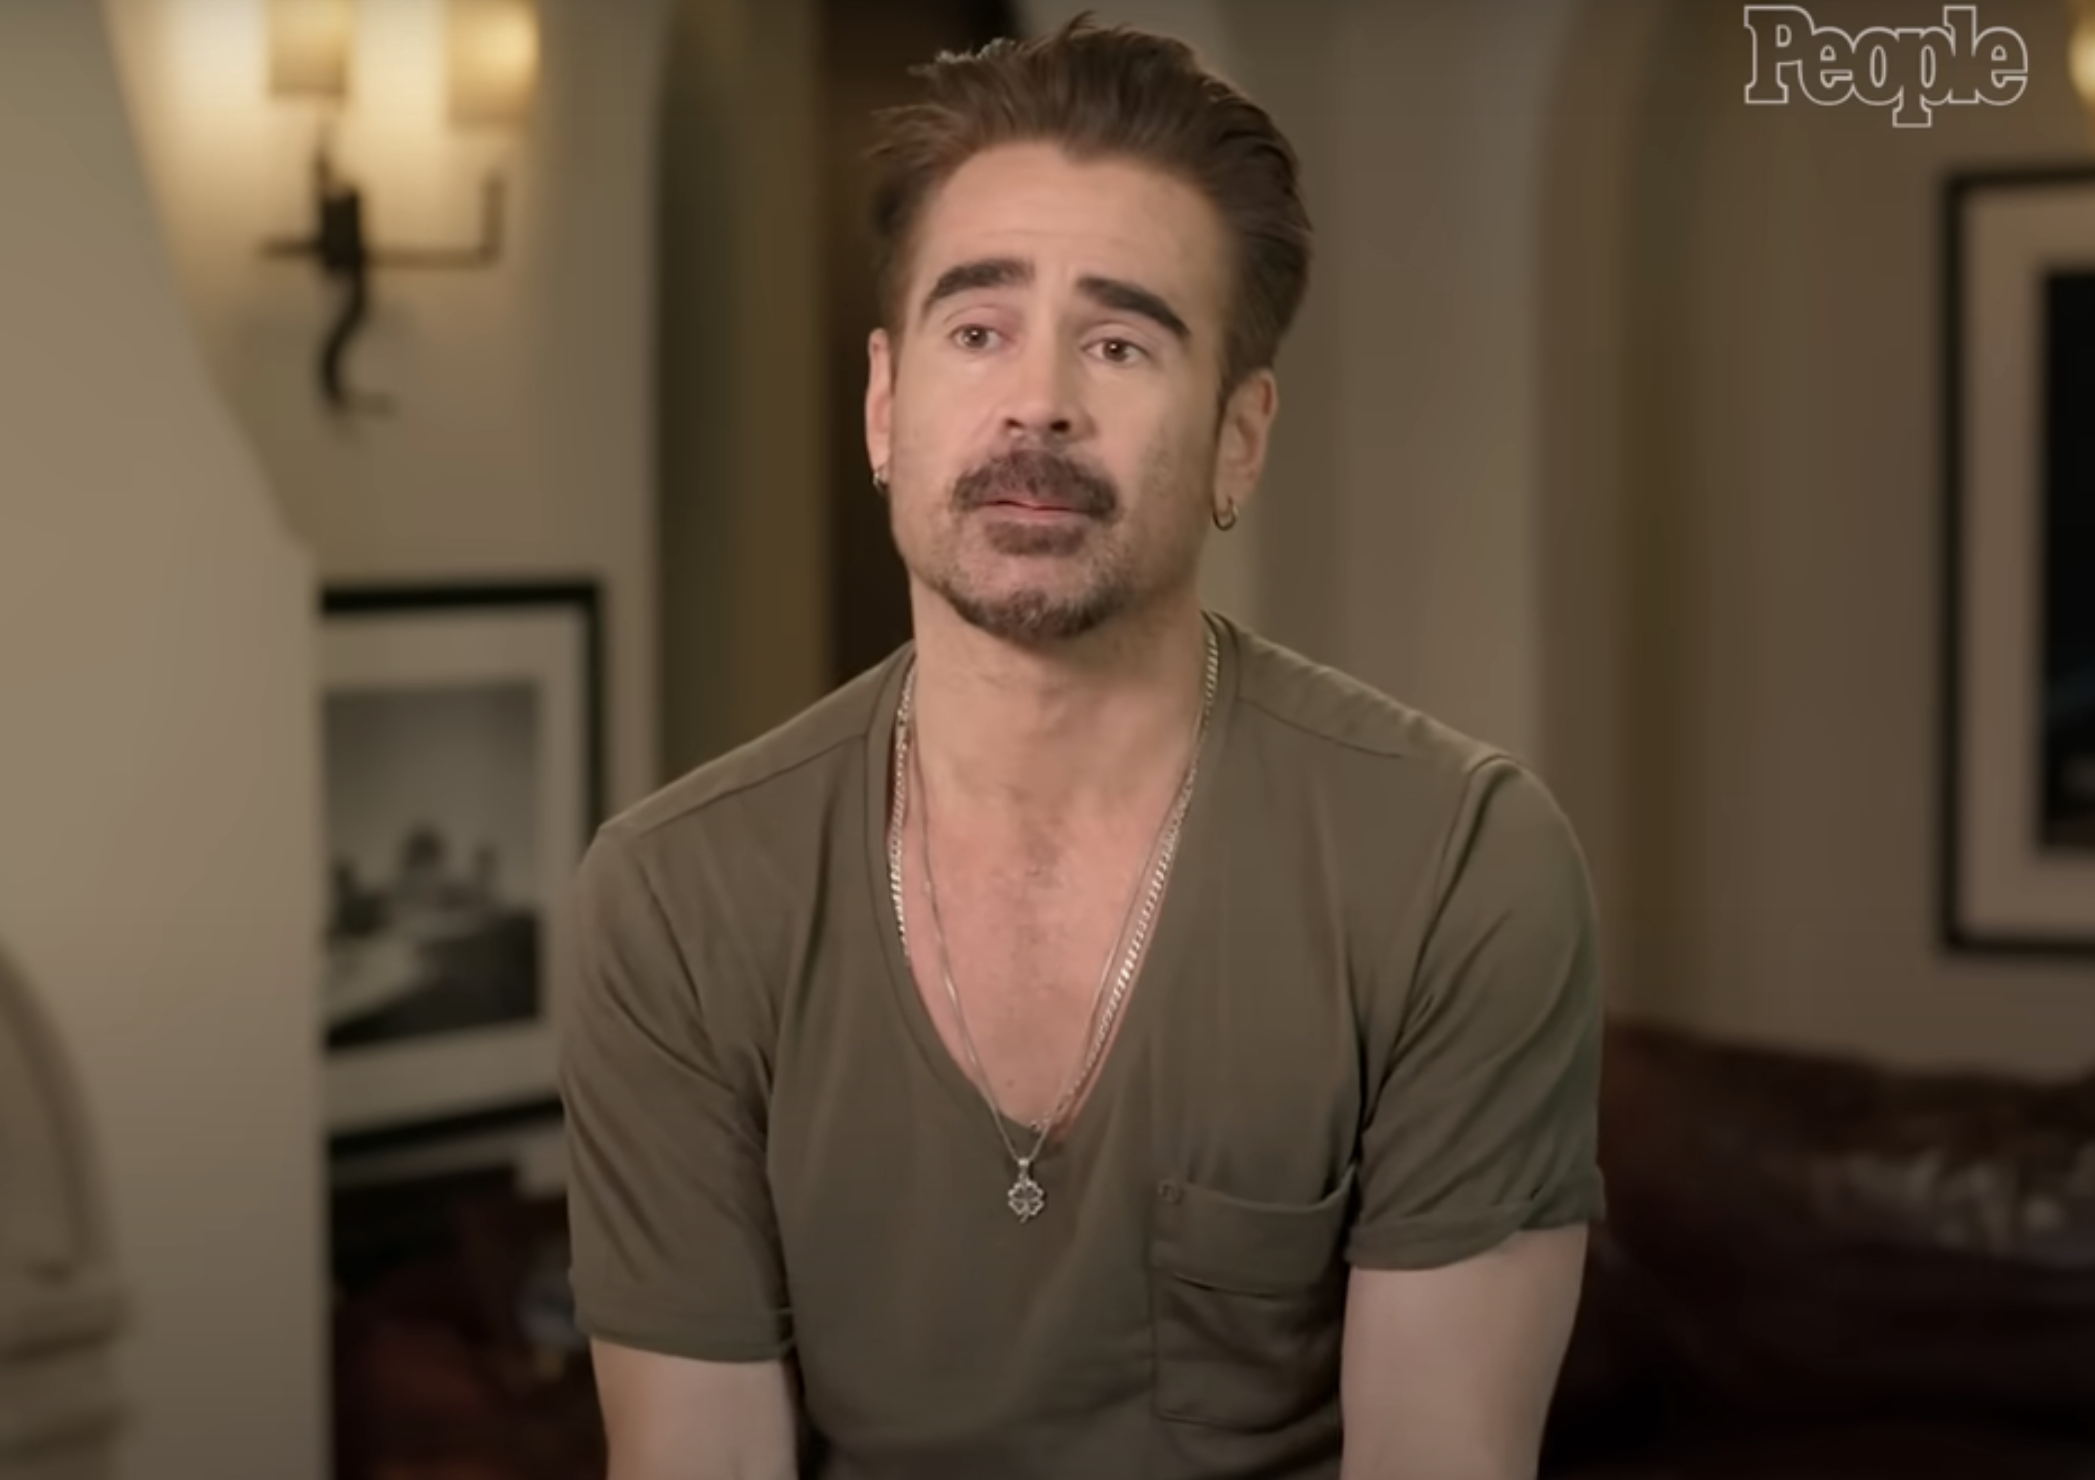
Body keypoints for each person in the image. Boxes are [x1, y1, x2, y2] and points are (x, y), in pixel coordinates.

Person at [559, 14, 1603, 1478]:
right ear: (884, 404)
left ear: (1241, 438)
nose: (1038, 399)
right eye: (977, 330)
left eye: (1120, 342)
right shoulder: (673, 900)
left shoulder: (1458, 869)